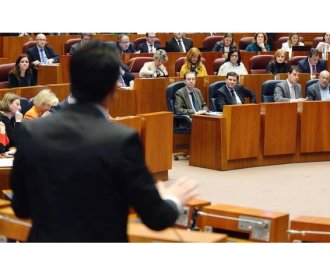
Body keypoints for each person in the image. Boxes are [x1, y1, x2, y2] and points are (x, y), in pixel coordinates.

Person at [11, 40, 198, 242]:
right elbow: (156, 218)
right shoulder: (121, 140)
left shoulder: (31, 131)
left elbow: (21, 208)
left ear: (72, 79)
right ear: (114, 88)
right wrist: (173, 198)